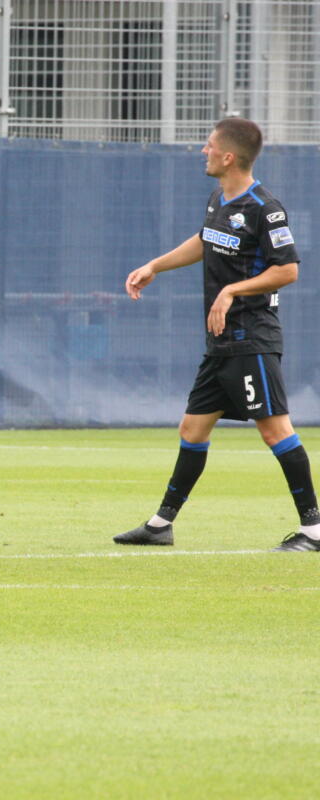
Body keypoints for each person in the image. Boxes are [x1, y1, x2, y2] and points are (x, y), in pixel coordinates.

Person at [114, 117, 319, 551]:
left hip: (253, 339)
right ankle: (159, 526)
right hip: (222, 343)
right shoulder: (219, 201)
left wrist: (231, 290)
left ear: (228, 157)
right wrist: (155, 265)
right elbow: (206, 240)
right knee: (192, 429)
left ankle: (314, 530)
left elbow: (288, 270)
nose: (202, 152)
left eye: (208, 146)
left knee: (275, 431)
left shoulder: (266, 208)